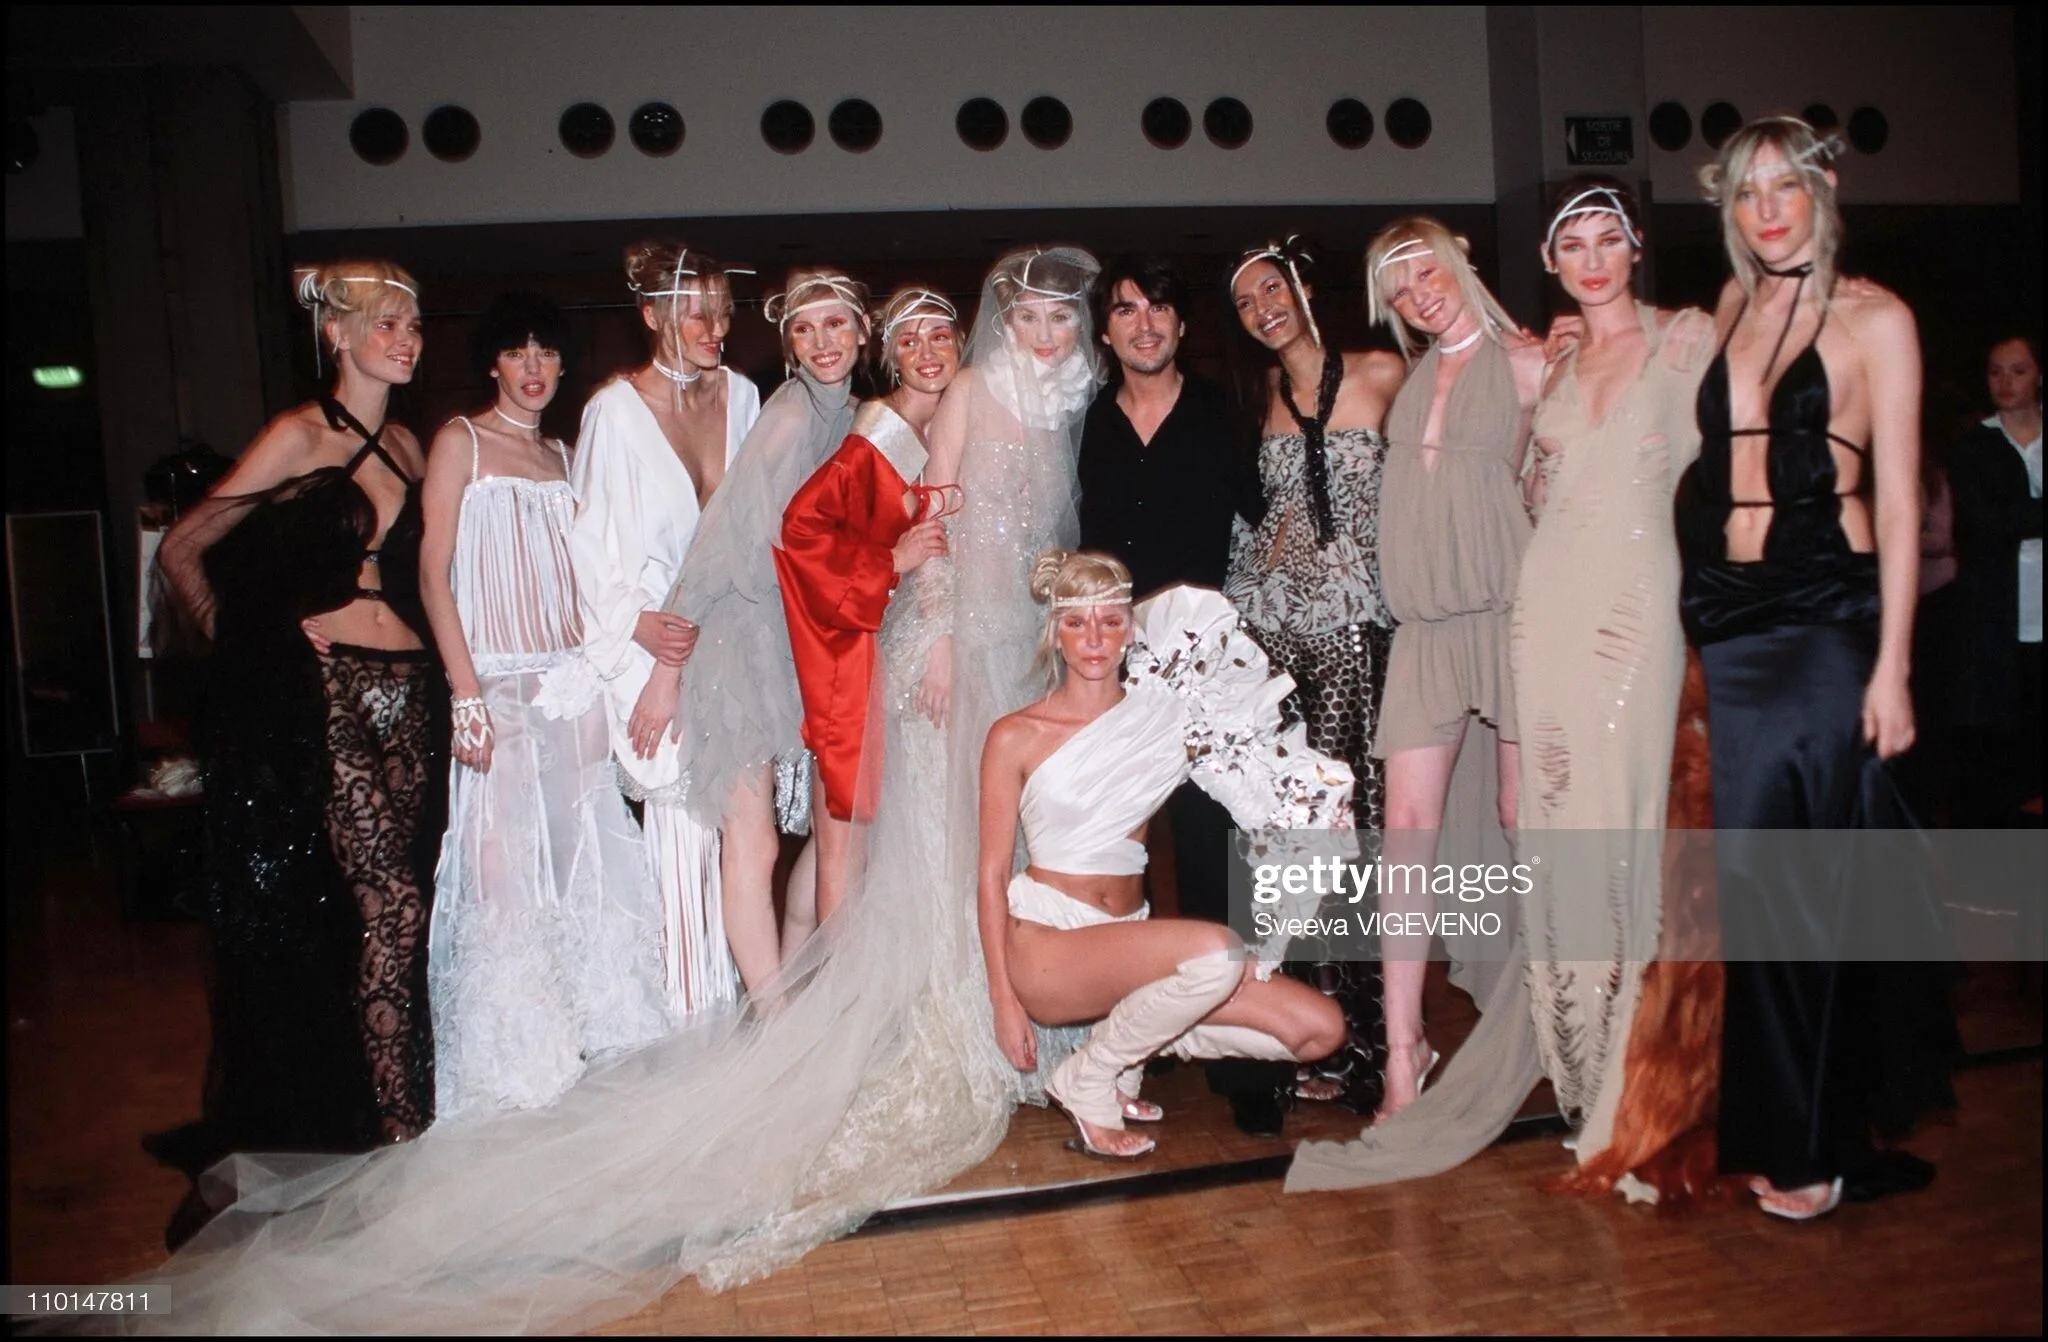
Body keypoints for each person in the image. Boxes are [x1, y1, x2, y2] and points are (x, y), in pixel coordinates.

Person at [1674, 116, 1956, 1219]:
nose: (1765, 211)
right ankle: (1784, 1131)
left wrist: (1892, 668)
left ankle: (1816, 1148)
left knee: (1806, 882)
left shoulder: (1876, 316)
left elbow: (1897, 497)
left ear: (1822, 190)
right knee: (1753, 886)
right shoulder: (1730, 304)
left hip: (1826, 614)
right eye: (1745, 194)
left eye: (1783, 187)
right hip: (1732, 617)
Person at [151, 261, 443, 1246]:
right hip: (332, 693)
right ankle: (399, 1135)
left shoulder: (409, 444)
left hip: (413, 689)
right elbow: (182, 551)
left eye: (413, 325)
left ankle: (382, 1109)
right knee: (388, 903)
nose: (406, 340)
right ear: (338, 335)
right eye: (386, 324)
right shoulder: (296, 436)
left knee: (398, 906)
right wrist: (262, 649)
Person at [978, 551, 1354, 1158]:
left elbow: (1260, 785)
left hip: (1134, 948)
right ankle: (1091, 1077)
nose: (1094, 639)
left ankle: (1127, 1045)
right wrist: (1003, 999)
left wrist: (1311, 833)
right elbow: (992, 873)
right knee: (1217, 953)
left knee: (1319, 1031)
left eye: (1110, 621)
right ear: (1055, 631)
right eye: (1077, 623)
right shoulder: (1013, 734)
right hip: (1049, 949)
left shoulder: (1171, 717)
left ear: (1132, 627)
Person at [416, 293, 670, 1123]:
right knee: (500, 868)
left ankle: (600, 1028)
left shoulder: (567, 455)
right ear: (492, 363)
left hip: (572, 683)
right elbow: (433, 575)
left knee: (585, 857)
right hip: (497, 685)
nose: (533, 368)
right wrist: (465, 693)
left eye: (547, 353)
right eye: (516, 352)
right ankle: (515, 1051)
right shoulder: (460, 441)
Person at [1511, 178, 1716, 1177]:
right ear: (1549, 262)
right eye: (1572, 245)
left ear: (1636, 246)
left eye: (1608, 239)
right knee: (1563, 833)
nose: (1591, 260)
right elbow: (1533, 495)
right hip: (1546, 609)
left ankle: (1643, 1077)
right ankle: (1585, 1070)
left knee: (1634, 825)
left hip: (1641, 610)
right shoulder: (1552, 364)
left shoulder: (1689, 341)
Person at [1077, 253, 1283, 1134]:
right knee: (1116, 856)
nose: (1145, 323)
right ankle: (1135, 1032)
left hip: (1205, 666)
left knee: (1215, 850)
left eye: (1159, 307)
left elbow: (1271, 523)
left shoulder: (1223, 415)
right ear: (1105, 331)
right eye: (1126, 310)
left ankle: (1243, 1062)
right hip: (1111, 662)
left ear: (1183, 325)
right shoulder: (1087, 424)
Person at [637, 269, 866, 991]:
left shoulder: (854, 416)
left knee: (829, 834)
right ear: (789, 346)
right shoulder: (792, 415)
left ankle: (794, 983)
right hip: (737, 640)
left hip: (791, 640)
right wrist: (669, 667)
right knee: (755, 841)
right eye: (804, 329)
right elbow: (721, 538)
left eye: (835, 323)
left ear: (863, 330)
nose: (822, 342)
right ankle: (771, 1015)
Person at [1220, 237, 1406, 1116]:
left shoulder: (1383, 372)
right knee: (1288, 836)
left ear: (1301, 286)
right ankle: (1309, 1030)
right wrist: (1262, 555)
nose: (1264, 309)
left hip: (1357, 637)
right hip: (1279, 642)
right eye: (1245, 301)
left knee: (1355, 832)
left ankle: (1378, 1043)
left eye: (1272, 289)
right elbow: (1244, 527)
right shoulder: (1254, 396)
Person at [918, 245, 1105, 1099]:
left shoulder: (1068, 402)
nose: (1043, 333)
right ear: (1003, 320)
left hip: (1036, 649)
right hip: (972, 636)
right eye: (1026, 317)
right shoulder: (969, 388)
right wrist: (939, 637)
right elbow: (933, 513)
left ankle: (1049, 1009)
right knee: (980, 830)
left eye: (1059, 317)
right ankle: (979, 1016)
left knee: (1041, 829)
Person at [566, 242, 760, 1019]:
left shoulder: (744, 396)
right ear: (651, 316)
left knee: (744, 847)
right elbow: (589, 549)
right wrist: (640, 633)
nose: (714, 328)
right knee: (683, 841)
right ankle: (691, 1028)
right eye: (694, 313)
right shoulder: (613, 413)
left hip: (737, 645)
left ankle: (739, 1010)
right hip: (654, 655)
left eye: (723, 312)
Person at [776, 286, 958, 923]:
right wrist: (889, 562)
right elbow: (800, 530)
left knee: (866, 839)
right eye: (909, 341)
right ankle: (835, 980)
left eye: (939, 336)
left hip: (911, 642)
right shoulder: (881, 433)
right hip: (858, 646)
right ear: (889, 355)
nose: (926, 353)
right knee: (846, 840)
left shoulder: (955, 421)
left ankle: (800, 966)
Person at [1947, 333, 2042, 827]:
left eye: (2018, 370)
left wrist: (2019, 515)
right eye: (1995, 371)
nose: (2005, 382)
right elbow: (1983, 525)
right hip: (1997, 624)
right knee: (1999, 758)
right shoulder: (1973, 445)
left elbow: (2007, 518)